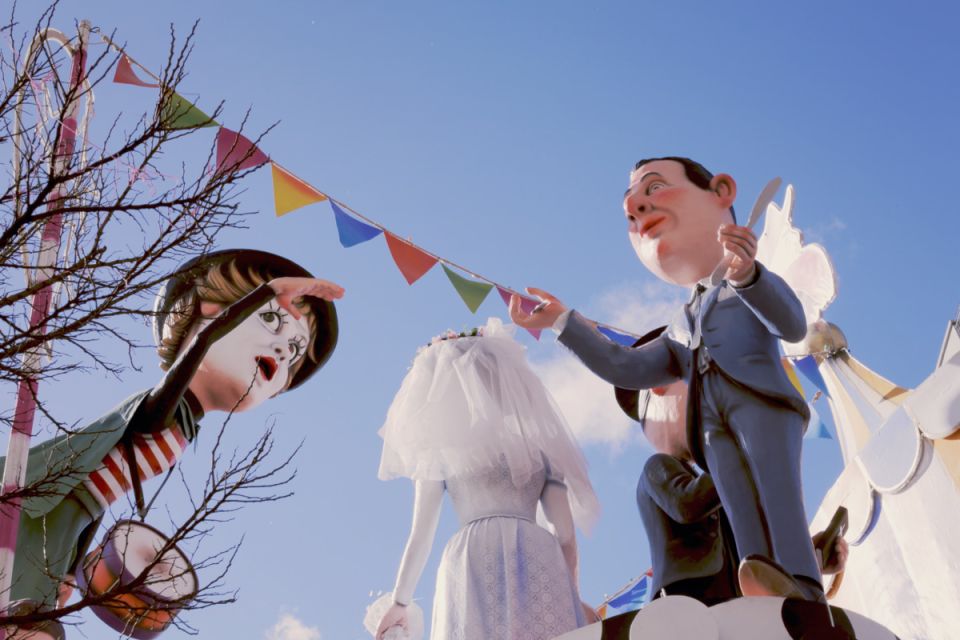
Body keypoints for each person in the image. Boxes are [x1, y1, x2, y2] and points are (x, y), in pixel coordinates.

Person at [510, 156, 825, 602]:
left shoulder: (746, 283)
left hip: (762, 405)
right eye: (629, 206)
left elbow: (791, 325)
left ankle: (805, 590)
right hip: (711, 429)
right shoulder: (680, 325)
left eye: (654, 188)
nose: (636, 207)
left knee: (777, 497)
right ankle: (763, 587)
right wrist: (563, 322)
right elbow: (625, 367)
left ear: (721, 192)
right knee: (741, 511)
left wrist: (750, 276)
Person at [2, 249, 343, 612]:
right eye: (271, 319)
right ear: (205, 311)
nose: (283, 349)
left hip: (62, 526)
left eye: (295, 350)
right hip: (37, 518)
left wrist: (71, 569)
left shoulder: (181, 428)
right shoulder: (160, 413)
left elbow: (95, 494)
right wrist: (268, 291)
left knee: (30, 614)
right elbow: (204, 340)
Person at [375, 319, 600, 640]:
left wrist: (400, 601)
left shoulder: (440, 452)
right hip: (538, 552)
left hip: (471, 556)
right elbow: (565, 537)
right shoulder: (540, 449)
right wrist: (571, 595)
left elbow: (421, 535)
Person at [621, 327, 847, 607]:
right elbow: (687, 504)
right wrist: (746, 455)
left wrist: (813, 557)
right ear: (658, 387)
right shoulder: (657, 467)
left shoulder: (722, 485)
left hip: (734, 604)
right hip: (684, 604)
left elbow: (753, 552)